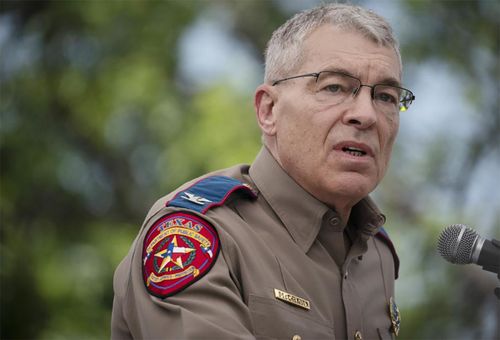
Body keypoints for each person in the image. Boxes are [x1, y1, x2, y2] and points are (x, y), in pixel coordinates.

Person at [111, 3, 415, 339]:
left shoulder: (377, 253)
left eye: (386, 97)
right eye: (335, 87)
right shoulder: (196, 234)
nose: (366, 114)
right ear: (268, 110)